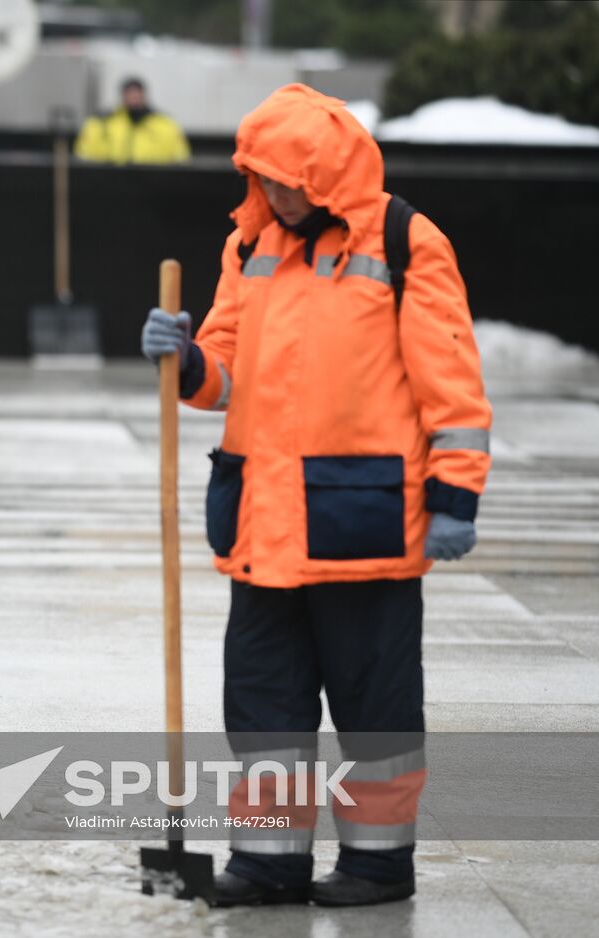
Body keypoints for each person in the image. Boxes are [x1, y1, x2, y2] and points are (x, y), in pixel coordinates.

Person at [141, 84, 490, 907]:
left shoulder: (405, 241)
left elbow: (451, 381)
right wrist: (187, 362)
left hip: (362, 526)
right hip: (263, 527)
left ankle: (376, 864)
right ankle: (267, 862)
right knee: (266, 713)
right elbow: (226, 363)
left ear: (326, 175)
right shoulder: (249, 243)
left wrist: (455, 496)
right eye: (263, 178)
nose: (277, 194)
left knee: (375, 714)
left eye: (290, 180)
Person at [74, 77, 190, 165]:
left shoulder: (165, 124)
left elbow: (180, 159)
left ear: (144, 95)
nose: (133, 96)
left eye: (136, 92)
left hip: (155, 184)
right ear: (122, 95)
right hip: (110, 181)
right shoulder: (100, 123)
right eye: (129, 92)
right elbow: (83, 156)